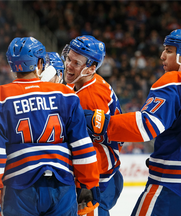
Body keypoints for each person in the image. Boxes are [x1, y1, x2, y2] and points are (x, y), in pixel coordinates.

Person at [84, 28, 181, 216]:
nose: (162, 56)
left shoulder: (174, 81)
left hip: (172, 187)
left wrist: (97, 123)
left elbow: (146, 125)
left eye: (169, 50)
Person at [0, 37, 100, 216]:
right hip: (61, 184)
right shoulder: (64, 93)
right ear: (40, 63)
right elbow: (81, 144)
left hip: (20, 188)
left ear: (12, 65)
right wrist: (88, 184)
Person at [62, 35, 124, 216]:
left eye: (76, 62)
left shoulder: (90, 97)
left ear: (90, 68)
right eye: (68, 58)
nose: (68, 65)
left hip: (99, 173)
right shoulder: (86, 84)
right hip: (105, 167)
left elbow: (89, 143)